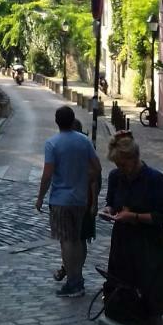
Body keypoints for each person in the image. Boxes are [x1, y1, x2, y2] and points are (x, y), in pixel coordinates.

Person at [100, 131, 163, 325]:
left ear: (134, 157)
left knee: (152, 301)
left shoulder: (155, 180)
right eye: (117, 165)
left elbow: (162, 217)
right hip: (122, 246)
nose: (120, 168)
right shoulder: (116, 177)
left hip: (149, 248)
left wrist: (135, 218)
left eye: (123, 163)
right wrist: (109, 211)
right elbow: (112, 203)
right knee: (122, 295)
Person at [36, 105, 101, 298]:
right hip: (80, 200)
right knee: (78, 240)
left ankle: (73, 283)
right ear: (73, 121)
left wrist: (40, 197)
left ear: (57, 122)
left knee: (67, 241)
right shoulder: (84, 141)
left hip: (60, 200)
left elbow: (47, 174)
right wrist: (83, 179)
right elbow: (96, 167)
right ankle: (78, 278)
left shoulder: (52, 143)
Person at [54, 117, 101, 282]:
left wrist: (94, 202)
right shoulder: (85, 145)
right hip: (82, 201)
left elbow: (94, 178)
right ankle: (71, 271)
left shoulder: (80, 148)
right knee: (77, 239)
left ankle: (75, 275)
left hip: (79, 201)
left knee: (73, 239)